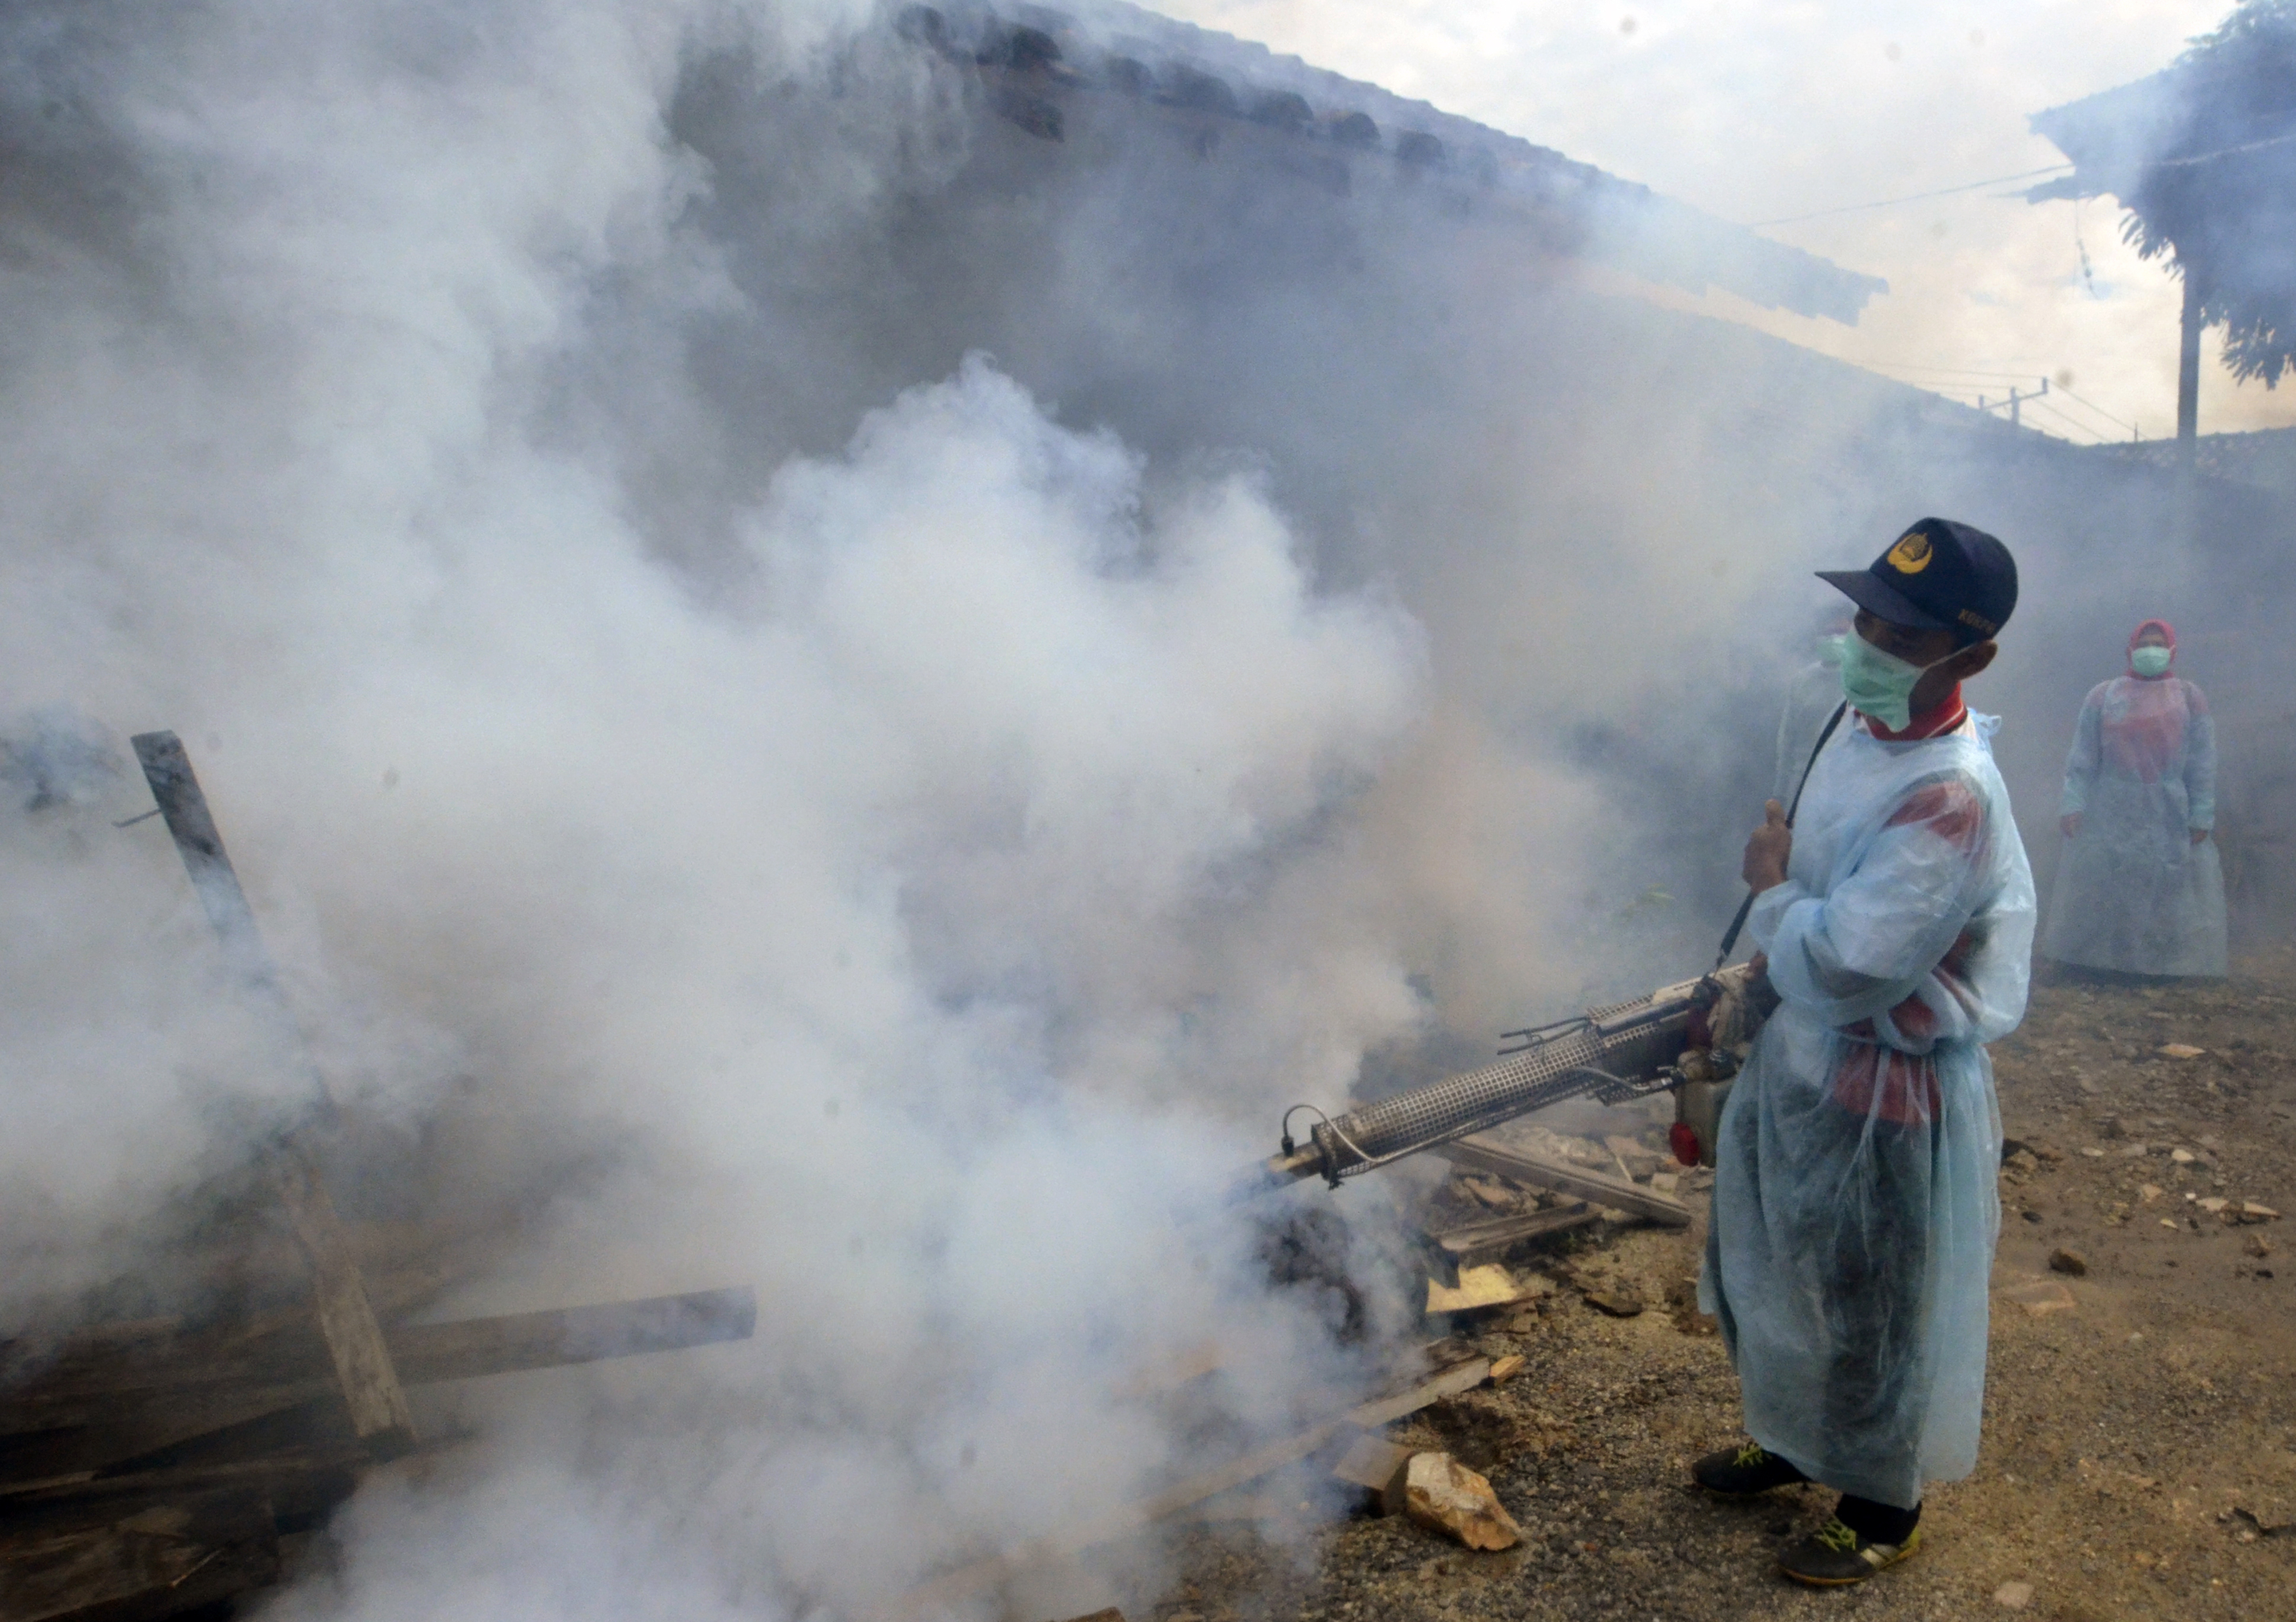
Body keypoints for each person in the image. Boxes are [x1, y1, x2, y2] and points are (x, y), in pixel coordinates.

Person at [1693, 519, 2036, 1587]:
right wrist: (1761, 970)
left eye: (1902, 630)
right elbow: (1823, 912)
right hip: (1805, 1053)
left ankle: (1883, 1499)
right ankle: (1796, 1439)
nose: (1868, 640)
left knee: (1873, 1295)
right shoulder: (1855, 718)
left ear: (1970, 656)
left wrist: (1773, 885)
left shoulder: (1951, 793)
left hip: (1888, 1076)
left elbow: (1851, 960)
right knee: (1782, 1265)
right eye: (1867, 614)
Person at [2040, 620, 2226, 981]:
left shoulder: (2189, 696)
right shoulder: (2104, 695)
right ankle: (2096, 963)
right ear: (2130, 650)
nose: (2151, 649)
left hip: (2169, 807)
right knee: (2106, 882)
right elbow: (2083, 755)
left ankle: (2163, 966)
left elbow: (2203, 759)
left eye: (2159, 643)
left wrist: (2202, 812)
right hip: (2110, 803)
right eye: (2145, 642)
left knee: (2167, 883)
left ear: (2172, 651)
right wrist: (2073, 802)